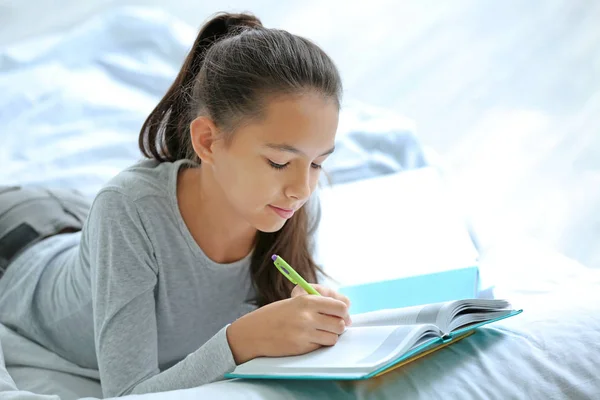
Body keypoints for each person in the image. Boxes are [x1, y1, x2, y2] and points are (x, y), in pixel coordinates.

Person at [0, 12, 353, 398]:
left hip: (84, 222)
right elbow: (129, 393)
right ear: (206, 141)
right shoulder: (128, 210)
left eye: (318, 163)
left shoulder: (292, 205)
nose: (301, 188)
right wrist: (239, 342)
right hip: (18, 241)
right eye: (279, 163)